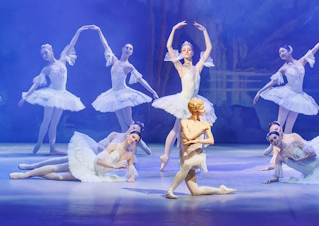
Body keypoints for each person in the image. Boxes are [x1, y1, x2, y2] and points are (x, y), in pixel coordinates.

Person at [253, 30, 319, 144]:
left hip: (299, 97)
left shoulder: (301, 61)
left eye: (283, 51)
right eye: (279, 53)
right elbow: (272, 82)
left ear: (289, 51)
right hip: (287, 94)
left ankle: (286, 148)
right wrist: (259, 92)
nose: (281, 54)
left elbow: (314, 49)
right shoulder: (283, 68)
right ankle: (273, 146)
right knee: (280, 124)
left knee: (289, 128)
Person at [152, 21, 216, 170]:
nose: (187, 52)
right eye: (184, 50)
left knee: (195, 131)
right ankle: (168, 156)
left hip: (196, 103)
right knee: (177, 130)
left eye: (189, 50)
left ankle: (189, 159)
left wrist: (204, 31)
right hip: (184, 101)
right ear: (181, 53)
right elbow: (169, 47)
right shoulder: (180, 67)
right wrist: (174, 29)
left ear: (192, 52)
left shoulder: (198, 67)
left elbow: (209, 48)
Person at [90, 25, 158, 153]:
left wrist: (153, 91)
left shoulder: (129, 66)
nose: (128, 49)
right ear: (122, 49)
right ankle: (125, 148)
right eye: (126, 47)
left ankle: (142, 145)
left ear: (131, 53)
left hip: (124, 94)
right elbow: (106, 46)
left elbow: (141, 80)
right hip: (114, 94)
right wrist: (99, 30)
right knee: (122, 124)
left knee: (129, 122)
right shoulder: (114, 60)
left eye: (130, 49)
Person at [19, 28, 86, 154]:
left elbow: (72, 44)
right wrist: (26, 96)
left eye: (46, 53)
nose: (44, 56)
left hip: (62, 94)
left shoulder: (63, 60)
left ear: (51, 51)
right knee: (46, 120)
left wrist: (79, 31)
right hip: (51, 94)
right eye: (42, 55)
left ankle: (52, 148)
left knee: (54, 123)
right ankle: (39, 142)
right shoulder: (46, 69)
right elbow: (35, 84)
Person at [165, 98, 235, 198]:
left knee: (187, 164)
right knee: (195, 192)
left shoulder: (205, 124)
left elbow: (211, 140)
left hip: (198, 156)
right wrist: (200, 130)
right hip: (185, 156)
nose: (204, 110)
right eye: (202, 108)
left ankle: (170, 191)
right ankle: (221, 190)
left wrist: (197, 141)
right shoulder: (184, 122)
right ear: (195, 111)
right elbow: (188, 136)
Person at [10, 130, 140, 182]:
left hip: (96, 174)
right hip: (89, 163)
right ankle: (26, 175)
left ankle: (37, 174)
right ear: (129, 135)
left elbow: (131, 168)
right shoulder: (114, 145)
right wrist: (114, 167)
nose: (133, 140)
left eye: (136, 140)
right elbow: (99, 160)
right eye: (133, 137)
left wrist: (132, 177)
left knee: (60, 177)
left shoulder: (129, 155)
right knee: (57, 167)